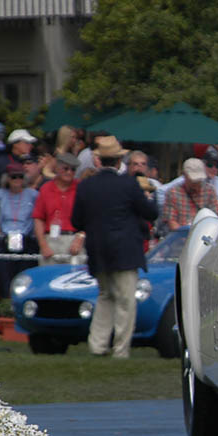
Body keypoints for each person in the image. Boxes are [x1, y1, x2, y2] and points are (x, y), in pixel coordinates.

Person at [72, 135, 159, 358]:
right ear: (119, 161)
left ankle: (98, 344)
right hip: (125, 249)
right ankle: (121, 349)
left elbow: (76, 221)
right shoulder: (129, 184)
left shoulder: (86, 186)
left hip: (98, 249)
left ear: (99, 161)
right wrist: (149, 198)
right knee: (125, 300)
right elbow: (150, 213)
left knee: (105, 296)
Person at [0, 162, 40, 299]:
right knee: (5, 278)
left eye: (20, 177)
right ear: (7, 179)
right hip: (5, 239)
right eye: (13, 177)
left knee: (25, 278)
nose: (17, 180)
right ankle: (6, 308)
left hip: (26, 239)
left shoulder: (33, 194)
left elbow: (41, 212)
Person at [33, 152, 85, 265]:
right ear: (57, 168)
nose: (69, 172)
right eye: (65, 168)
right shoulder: (45, 188)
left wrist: (80, 239)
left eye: (73, 170)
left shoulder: (81, 188)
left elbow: (88, 217)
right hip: (50, 239)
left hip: (74, 239)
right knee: (48, 278)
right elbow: (38, 218)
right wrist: (43, 245)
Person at [162, 158, 218, 231]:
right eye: (193, 180)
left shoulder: (210, 191)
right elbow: (172, 223)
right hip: (181, 236)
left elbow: (215, 218)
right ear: (185, 175)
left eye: (198, 180)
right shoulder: (173, 193)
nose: (196, 183)